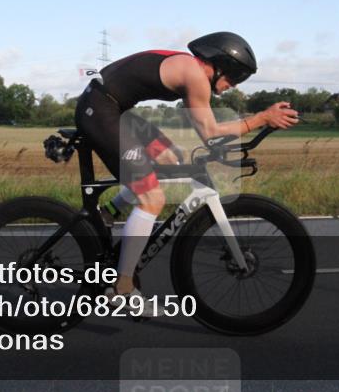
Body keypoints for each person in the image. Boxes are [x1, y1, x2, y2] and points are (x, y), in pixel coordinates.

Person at [73, 32, 300, 311]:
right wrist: (261, 119)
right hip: (102, 110)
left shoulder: (188, 67)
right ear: (219, 65)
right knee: (152, 198)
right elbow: (211, 133)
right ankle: (123, 288)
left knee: (171, 157)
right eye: (233, 78)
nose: (231, 86)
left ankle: (108, 212)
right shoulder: (194, 76)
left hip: (112, 107)